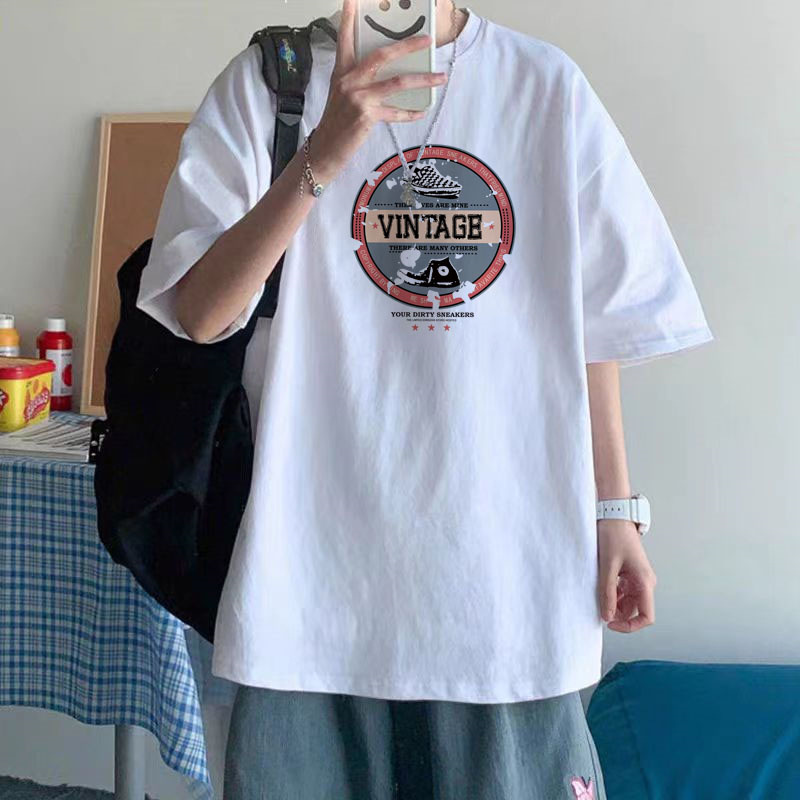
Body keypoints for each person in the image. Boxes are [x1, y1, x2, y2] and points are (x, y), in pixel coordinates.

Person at [136, 1, 714, 797]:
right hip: (308, 591)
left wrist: (616, 513)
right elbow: (199, 314)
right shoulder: (270, 85)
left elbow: (596, 326)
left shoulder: (544, 87)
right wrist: (326, 151)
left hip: (505, 589)